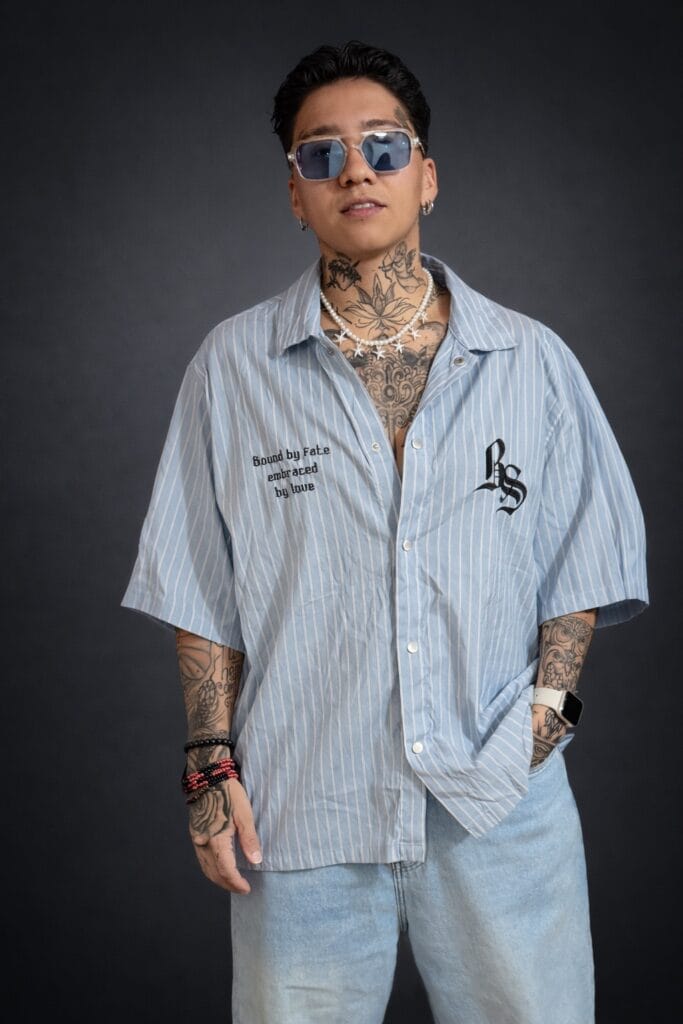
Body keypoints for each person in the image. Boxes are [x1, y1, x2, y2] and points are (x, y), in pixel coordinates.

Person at [121, 40, 649, 1024]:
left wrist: (543, 719)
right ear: (295, 193)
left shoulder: (531, 361)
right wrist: (208, 768)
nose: (354, 170)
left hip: (498, 809)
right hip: (302, 812)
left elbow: (583, 559)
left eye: (383, 146)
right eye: (320, 154)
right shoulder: (230, 370)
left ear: (426, 177)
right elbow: (200, 585)